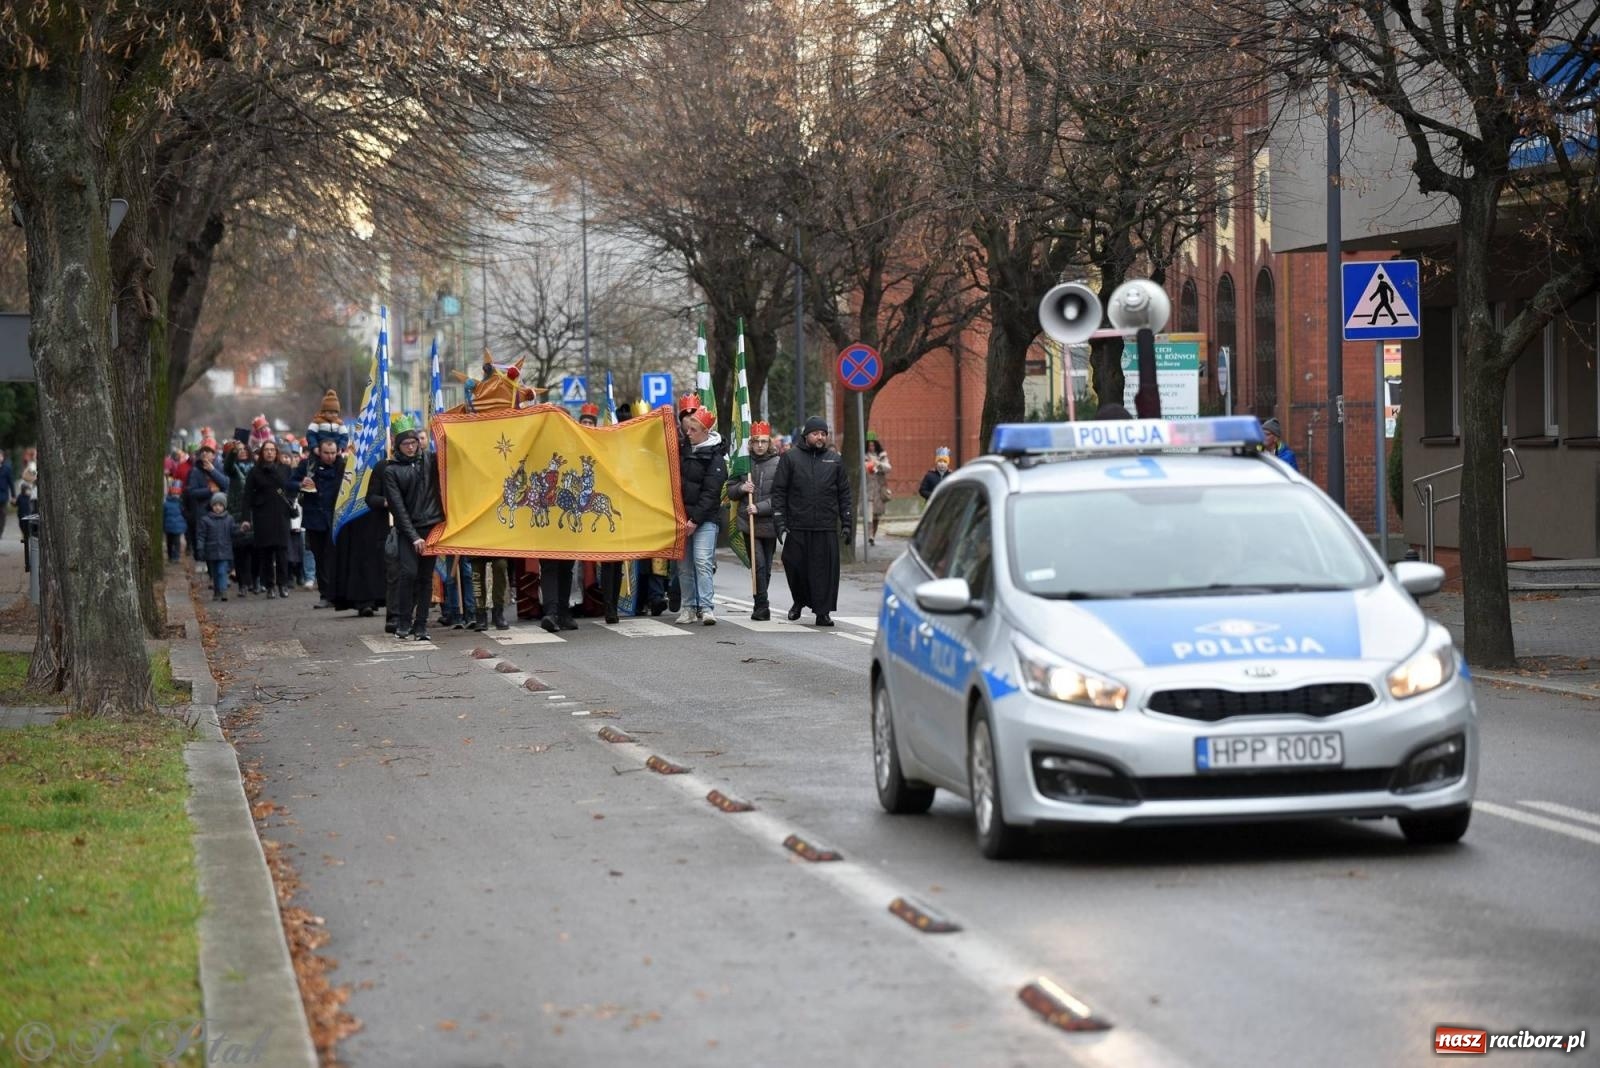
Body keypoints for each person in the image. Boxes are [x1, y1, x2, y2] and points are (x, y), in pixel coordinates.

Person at [772, 415, 851, 626]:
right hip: (797, 524)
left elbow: (844, 493)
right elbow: (779, 492)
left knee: (824, 573)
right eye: (816, 433)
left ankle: (822, 612)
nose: (820, 437)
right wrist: (780, 522)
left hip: (825, 526)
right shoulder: (790, 458)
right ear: (806, 435)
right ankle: (799, 600)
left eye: (823, 434)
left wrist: (847, 522)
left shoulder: (834, 460)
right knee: (794, 566)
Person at [382, 426, 443, 640]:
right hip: (409, 531)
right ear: (398, 447)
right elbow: (398, 508)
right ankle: (403, 620)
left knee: (426, 578)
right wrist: (414, 536)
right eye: (406, 444)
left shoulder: (429, 461)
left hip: (432, 526)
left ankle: (421, 625)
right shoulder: (391, 471)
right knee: (408, 574)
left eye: (414, 443)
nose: (411, 447)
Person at [676, 403, 727, 625]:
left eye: (693, 430)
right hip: (681, 517)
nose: (688, 433)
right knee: (683, 566)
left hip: (704, 519)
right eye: (687, 430)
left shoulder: (716, 457)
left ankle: (706, 607)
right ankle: (688, 607)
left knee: (702, 561)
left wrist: (695, 520)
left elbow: (711, 492)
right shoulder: (684, 449)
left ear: (705, 432)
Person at [727, 420, 780, 620]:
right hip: (748, 524)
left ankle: (761, 598)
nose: (759, 445)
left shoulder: (778, 463)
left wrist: (760, 507)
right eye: (756, 441)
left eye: (764, 441)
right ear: (751, 443)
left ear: (769, 443)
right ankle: (761, 605)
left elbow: (780, 496)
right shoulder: (743, 462)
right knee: (758, 563)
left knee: (766, 565)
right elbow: (730, 490)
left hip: (769, 523)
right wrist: (742, 489)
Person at [294, 437, 345, 608]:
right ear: (319, 451)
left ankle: (337, 593)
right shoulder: (308, 465)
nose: (330, 456)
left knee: (335, 557)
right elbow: (288, 483)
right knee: (320, 557)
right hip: (314, 519)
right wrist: (301, 483)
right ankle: (325, 595)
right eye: (326, 453)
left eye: (333, 453)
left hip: (336, 518)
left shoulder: (342, 466)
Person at [245, 440, 294, 597]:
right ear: (262, 453)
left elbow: (291, 488)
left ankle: (283, 584)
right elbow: (247, 496)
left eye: (272, 450)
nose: (270, 453)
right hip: (263, 515)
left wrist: (292, 502)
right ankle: (269, 585)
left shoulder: (285, 469)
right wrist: (246, 517)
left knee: (282, 551)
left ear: (277, 452)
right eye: (266, 450)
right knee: (266, 552)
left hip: (281, 514)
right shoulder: (254, 471)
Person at [185, 444, 229, 569]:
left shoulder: (220, 467)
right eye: (203, 451)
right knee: (205, 539)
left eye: (208, 451)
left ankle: (221, 568)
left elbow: (225, 484)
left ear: (214, 455)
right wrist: (209, 490)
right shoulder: (195, 470)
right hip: (203, 510)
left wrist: (212, 471)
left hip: (221, 509)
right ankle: (206, 564)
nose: (205, 454)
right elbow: (192, 492)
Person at [223, 441, 256, 595]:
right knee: (239, 550)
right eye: (239, 450)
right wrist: (233, 452)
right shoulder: (233, 469)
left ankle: (253, 582)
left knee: (253, 550)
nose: (242, 452)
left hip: (253, 511)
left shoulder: (255, 468)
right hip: (236, 512)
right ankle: (242, 584)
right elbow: (227, 465)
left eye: (244, 449)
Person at [196, 492, 240, 601]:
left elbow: (234, 531)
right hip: (211, 551)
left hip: (224, 550)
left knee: (222, 571)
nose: (217, 508)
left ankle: (223, 591)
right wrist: (200, 548)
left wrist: (242, 530)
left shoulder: (229, 519)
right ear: (212, 506)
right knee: (215, 573)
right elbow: (201, 536)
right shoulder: (206, 520)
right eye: (215, 505)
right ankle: (217, 591)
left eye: (220, 505)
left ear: (224, 506)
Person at [864, 433, 892, 545]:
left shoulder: (882, 456)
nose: (872, 447)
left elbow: (888, 468)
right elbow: (862, 467)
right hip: (868, 489)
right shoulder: (864, 455)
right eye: (870, 445)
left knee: (876, 516)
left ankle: (873, 536)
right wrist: (869, 465)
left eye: (873, 445)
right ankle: (869, 535)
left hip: (879, 490)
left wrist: (878, 464)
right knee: (869, 515)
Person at [163, 479, 187, 562]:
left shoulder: (181, 503)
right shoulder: (166, 504)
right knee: (170, 542)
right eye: (174, 492)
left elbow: (184, 514)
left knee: (176, 542)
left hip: (177, 527)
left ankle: (175, 557)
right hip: (169, 527)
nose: (175, 494)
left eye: (177, 493)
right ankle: (171, 556)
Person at [0, 449, 12, 537]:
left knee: (3, 515)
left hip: (3, 495)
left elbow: (11, 482)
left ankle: (0, 531)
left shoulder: (7, 468)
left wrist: (14, 495)